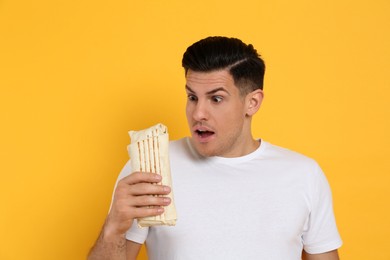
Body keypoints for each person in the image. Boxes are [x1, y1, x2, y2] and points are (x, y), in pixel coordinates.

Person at [88, 36, 342, 260]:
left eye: (216, 99)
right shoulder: (150, 171)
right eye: (192, 97)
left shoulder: (303, 174)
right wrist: (113, 228)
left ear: (252, 103)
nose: (198, 113)